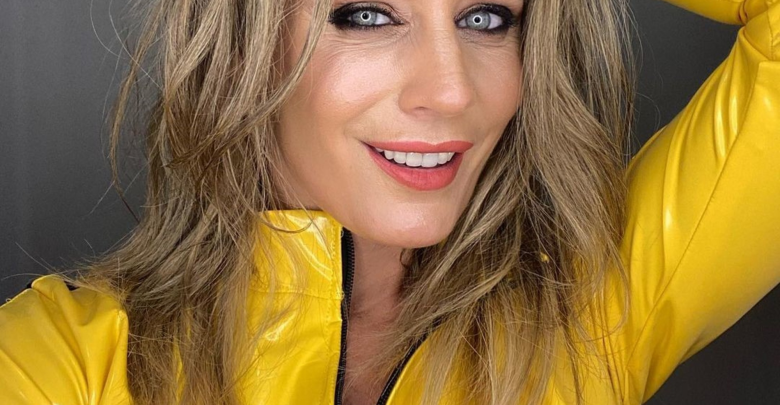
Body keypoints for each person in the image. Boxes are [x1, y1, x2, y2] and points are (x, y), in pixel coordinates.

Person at [0, 0, 778, 403]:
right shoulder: (62, 365)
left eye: (485, 19)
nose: (451, 89)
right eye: (368, 15)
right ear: (242, 45)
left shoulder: (596, 316)